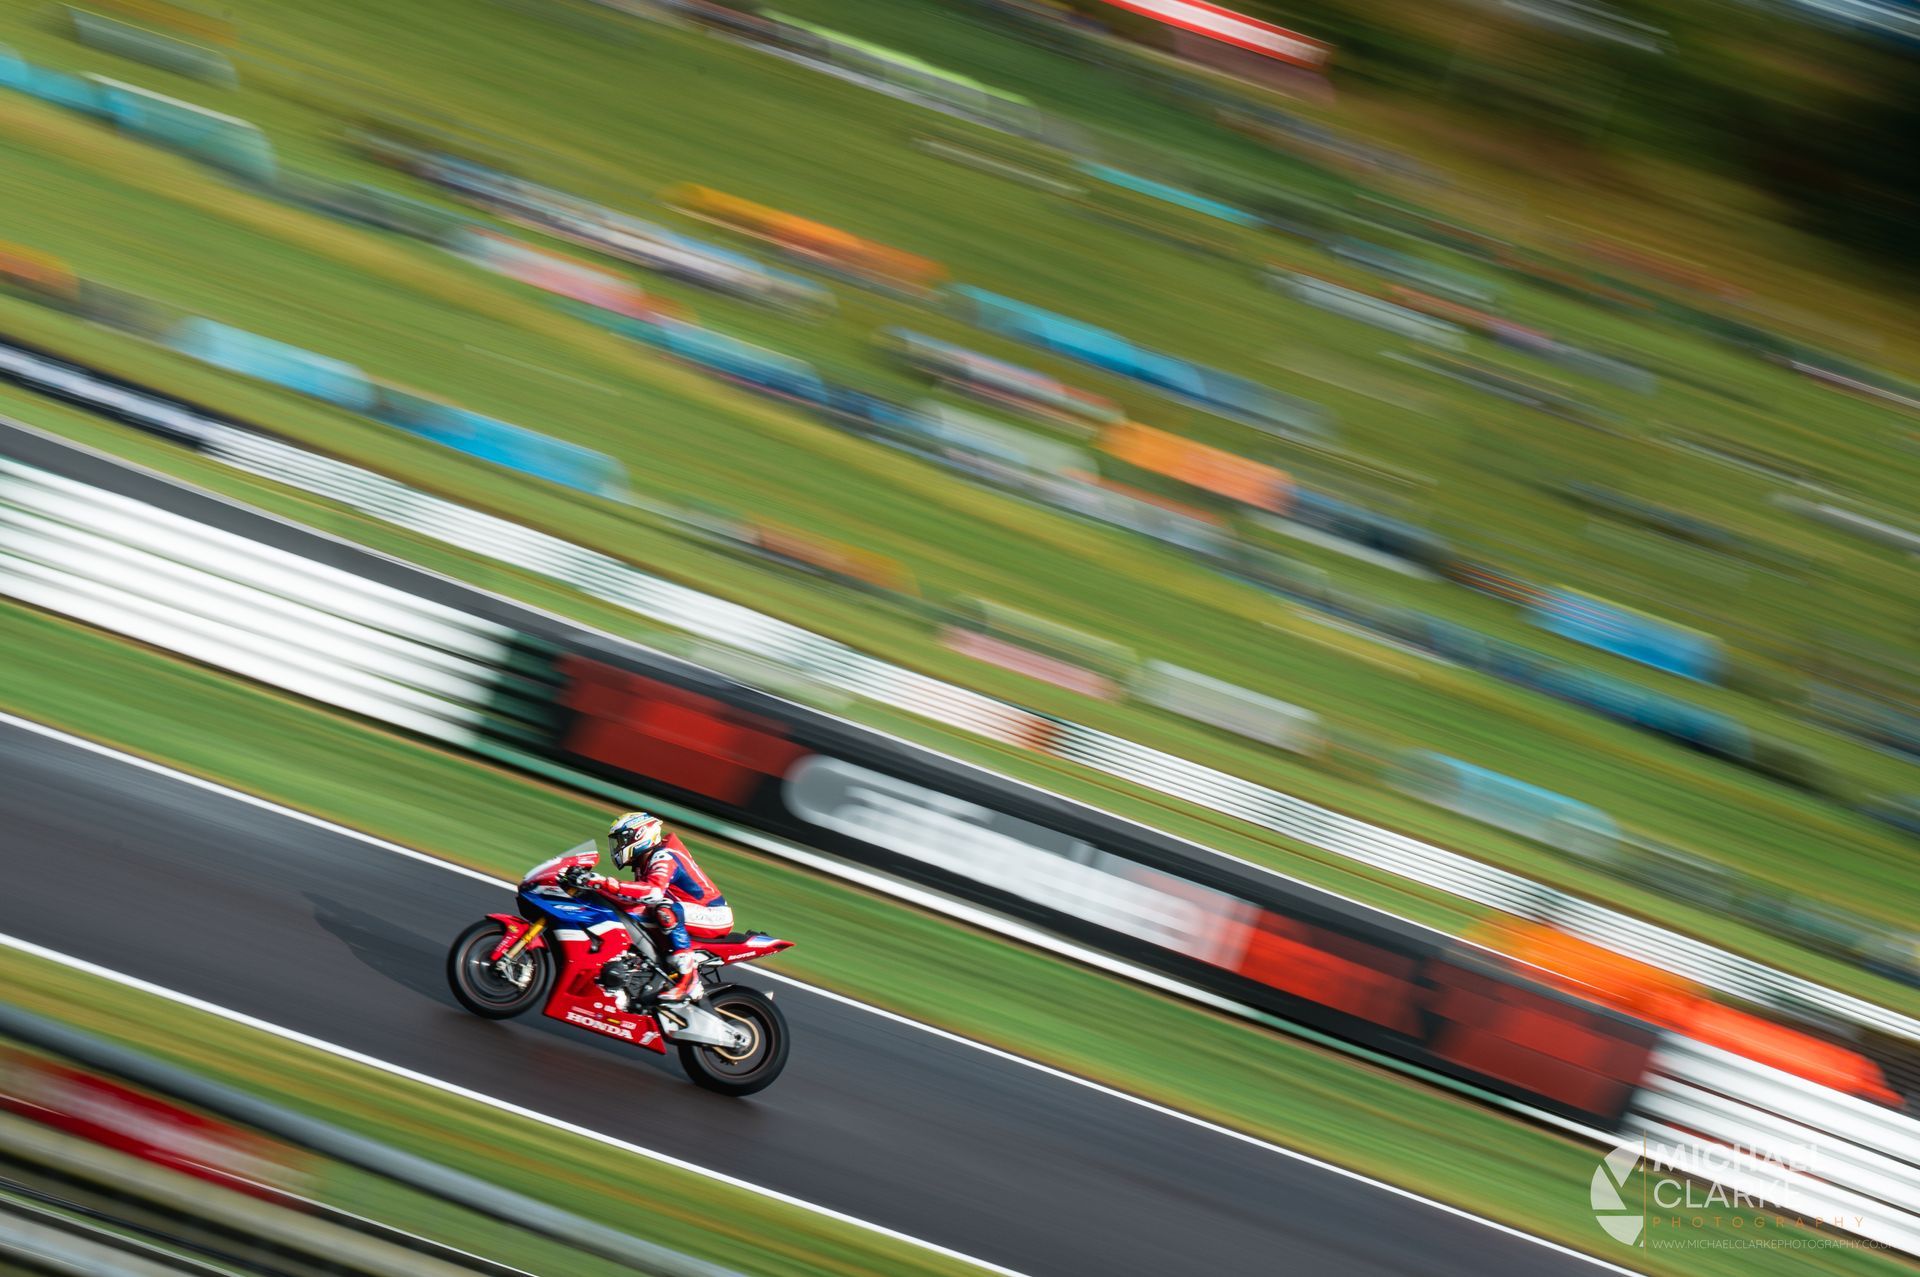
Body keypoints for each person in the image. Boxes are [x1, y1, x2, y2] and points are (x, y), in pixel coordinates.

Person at [560, 812, 733, 1003]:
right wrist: (593, 886)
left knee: (664, 910)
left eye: (622, 840)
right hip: (688, 912)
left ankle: (688, 980)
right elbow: (632, 900)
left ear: (640, 835)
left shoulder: (663, 856)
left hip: (714, 915)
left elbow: (652, 892)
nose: (618, 847)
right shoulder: (644, 864)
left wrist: (603, 882)